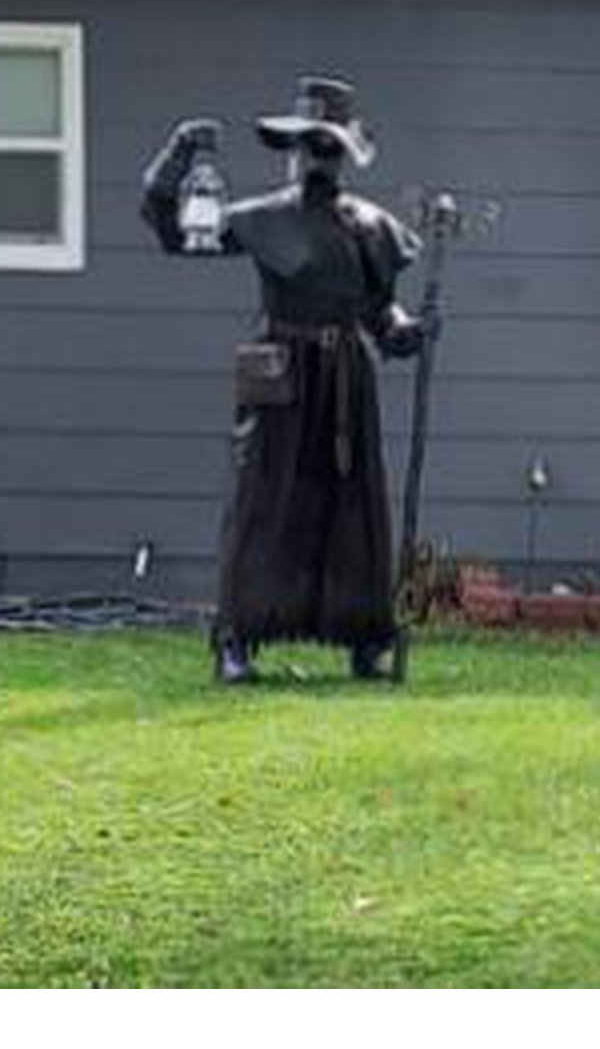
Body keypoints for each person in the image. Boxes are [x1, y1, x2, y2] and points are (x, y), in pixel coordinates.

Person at [141, 77, 430, 684]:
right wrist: (177, 157)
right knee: (263, 503)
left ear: (344, 153)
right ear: (293, 150)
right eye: (308, 145)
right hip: (281, 374)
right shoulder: (260, 219)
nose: (316, 158)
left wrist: (406, 330)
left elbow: (381, 309)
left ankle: (363, 637)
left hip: (349, 378)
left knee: (354, 506)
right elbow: (174, 232)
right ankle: (237, 638)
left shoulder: (372, 227)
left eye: (328, 147)